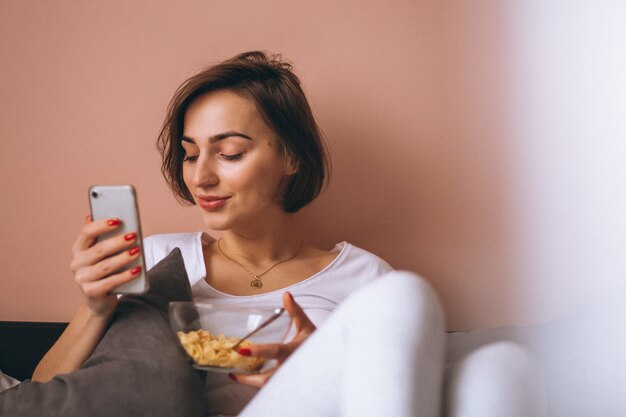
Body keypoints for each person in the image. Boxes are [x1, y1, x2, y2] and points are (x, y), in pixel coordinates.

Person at [23, 51, 539, 417]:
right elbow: (40, 394)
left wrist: (318, 363)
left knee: (503, 367)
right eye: (189, 153)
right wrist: (95, 306)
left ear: (291, 156)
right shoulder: (158, 260)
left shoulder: (362, 276)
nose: (201, 176)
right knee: (404, 294)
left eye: (228, 153)